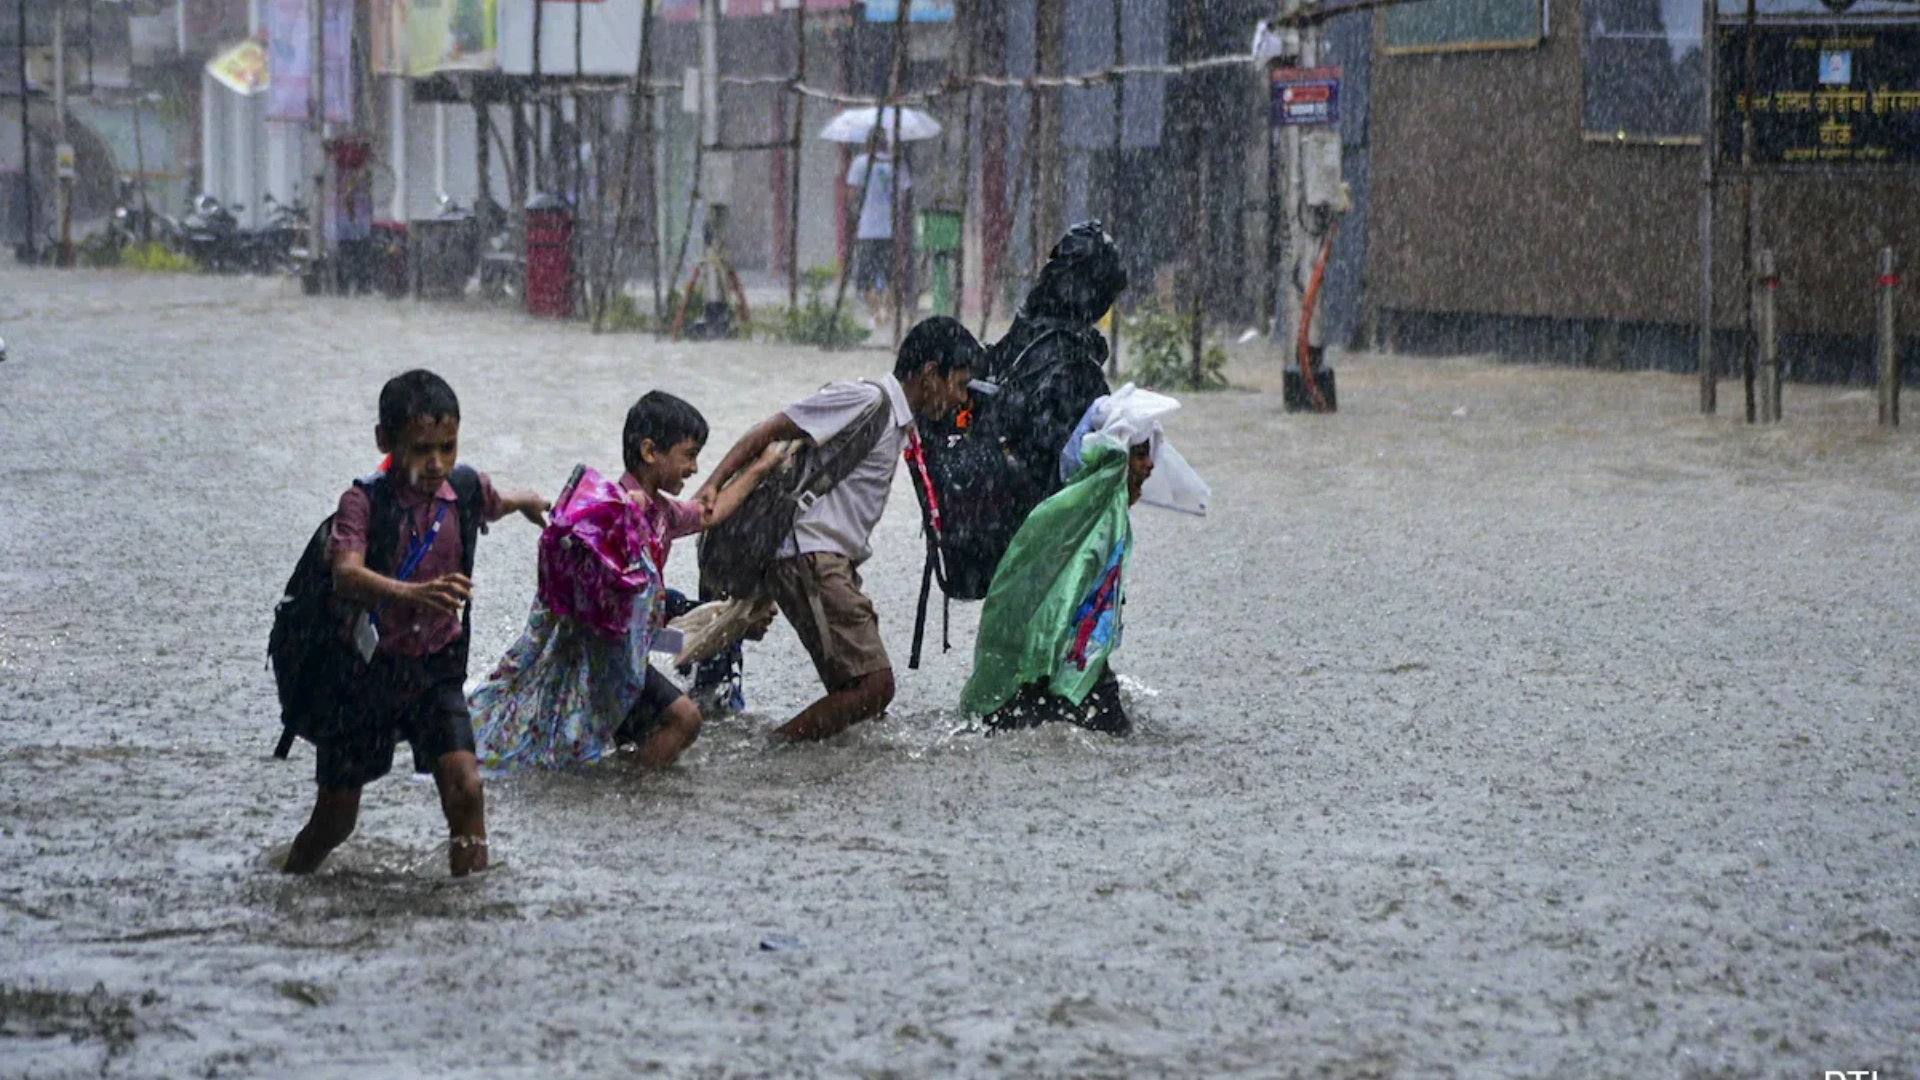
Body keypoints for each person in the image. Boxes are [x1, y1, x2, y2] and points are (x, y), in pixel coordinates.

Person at [283, 369, 550, 877]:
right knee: (336, 821)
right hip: (363, 678)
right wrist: (415, 593)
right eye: (421, 449)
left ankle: (470, 902)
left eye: (447, 447)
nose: (436, 464)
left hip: (434, 672)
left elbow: (494, 501)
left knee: (467, 791)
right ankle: (290, 881)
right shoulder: (363, 503)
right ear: (385, 440)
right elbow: (346, 573)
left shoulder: (463, 490)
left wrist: (527, 503)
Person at [696, 316, 980, 742]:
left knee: (858, 705)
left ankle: (795, 758)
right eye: (958, 384)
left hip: (828, 562)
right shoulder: (864, 399)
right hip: (810, 556)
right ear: (929, 374)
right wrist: (712, 485)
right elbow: (770, 430)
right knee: (874, 687)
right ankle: (772, 752)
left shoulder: (902, 423)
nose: (960, 398)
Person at [471, 391, 781, 771]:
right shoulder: (609, 508)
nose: (694, 468)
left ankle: (617, 785)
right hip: (602, 655)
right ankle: (630, 790)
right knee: (685, 720)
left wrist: (760, 468)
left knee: (696, 636)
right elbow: (575, 534)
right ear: (650, 451)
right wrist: (619, 515)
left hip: (634, 644)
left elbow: (706, 514)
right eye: (688, 455)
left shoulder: (663, 513)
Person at [960, 385, 1207, 736]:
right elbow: (1061, 609)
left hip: (1046, 672)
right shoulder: (1092, 524)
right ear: (1114, 461)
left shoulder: (1077, 514)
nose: (1151, 465)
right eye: (1139, 454)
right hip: (1056, 674)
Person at [846, 134, 913, 330]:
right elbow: (905, 194)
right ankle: (889, 313)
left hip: (867, 229)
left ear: (868, 143)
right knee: (891, 275)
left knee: (866, 278)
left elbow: (851, 194)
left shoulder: (860, 163)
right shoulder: (898, 164)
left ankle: (876, 315)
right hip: (891, 229)